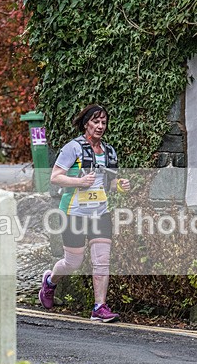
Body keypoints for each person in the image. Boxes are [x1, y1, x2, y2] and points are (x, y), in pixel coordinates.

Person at [39, 104, 131, 322]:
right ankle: (50, 282)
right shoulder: (73, 148)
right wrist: (79, 182)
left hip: (100, 212)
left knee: (102, 261)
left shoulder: (109, 151)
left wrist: (120, 184)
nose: (100, 126)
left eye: (103, 123)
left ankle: (99, 307)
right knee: (73, 263)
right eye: (95, 122)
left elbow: (109, 181)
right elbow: (55, 177)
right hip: (74, 213)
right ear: (86, 123)